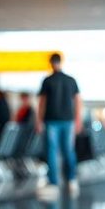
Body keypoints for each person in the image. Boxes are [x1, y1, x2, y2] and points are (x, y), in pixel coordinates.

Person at [36, 53, 82, 199]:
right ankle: (71, 180)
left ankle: (54, 183)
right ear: (60, 62)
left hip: (51, 120)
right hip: (68, 120)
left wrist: (38, 120)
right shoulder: (71, 80)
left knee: (52, 152)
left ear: (50, 63)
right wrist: (78, 120)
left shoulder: (47, 80)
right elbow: (78, 101)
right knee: (68, 150)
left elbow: (42, 102)